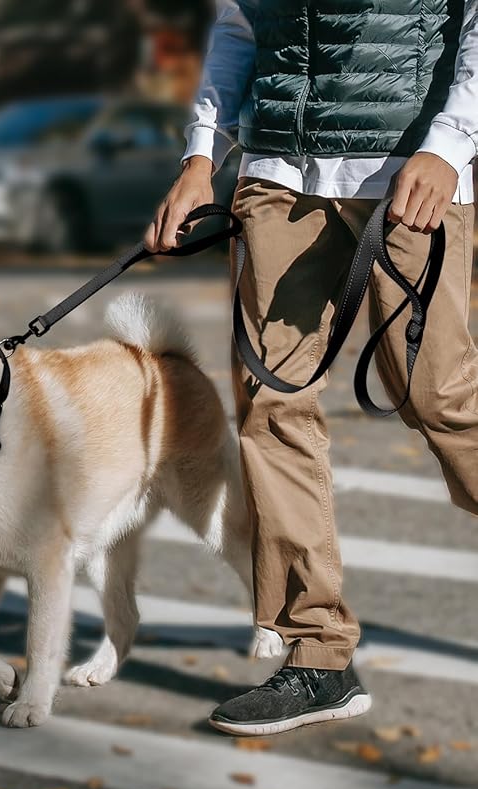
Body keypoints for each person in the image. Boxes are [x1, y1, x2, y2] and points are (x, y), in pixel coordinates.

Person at [146, 0, 478, 736]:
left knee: (439, 399)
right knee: (270, 409)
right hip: (276, 176)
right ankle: (317, 652)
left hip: (407, 172)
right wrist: (201, 156)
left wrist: (449, 144)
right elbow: (238, 26)